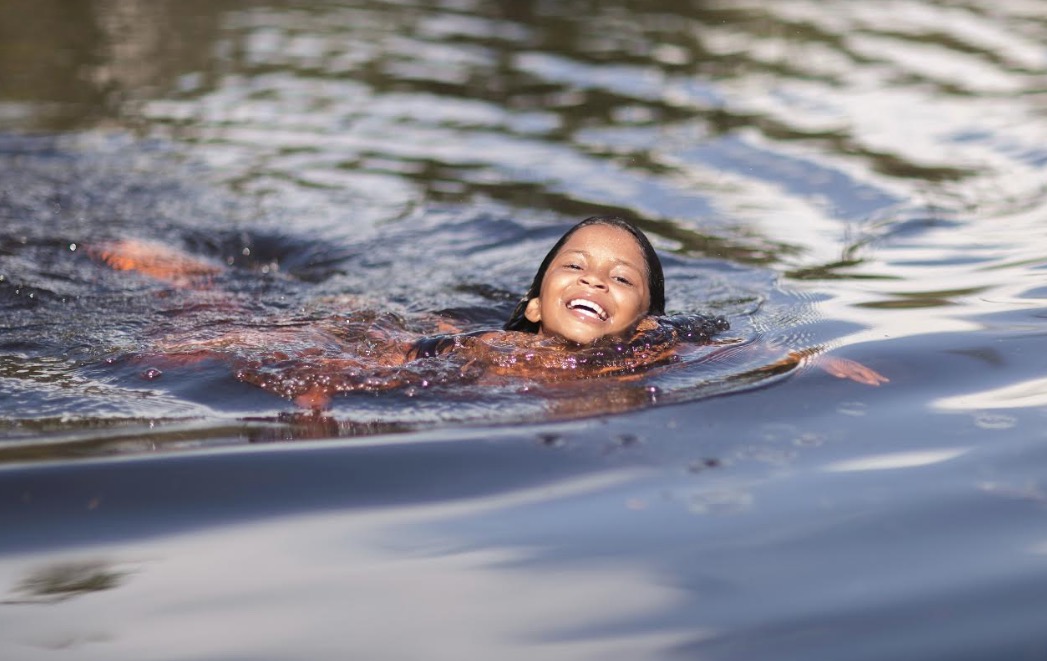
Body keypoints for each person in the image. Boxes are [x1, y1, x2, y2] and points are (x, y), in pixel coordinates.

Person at [91, 215, 884, 409]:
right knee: (224, 321)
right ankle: (189, 278)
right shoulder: (494, 352)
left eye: (621, 279)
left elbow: (746, 349)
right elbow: (344, 363)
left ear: (645, 321)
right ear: (537, 303)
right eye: (575, 266)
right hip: (407, 336)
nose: (595, 279)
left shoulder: (652, 354)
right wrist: (315, 391)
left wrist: (810, 363)